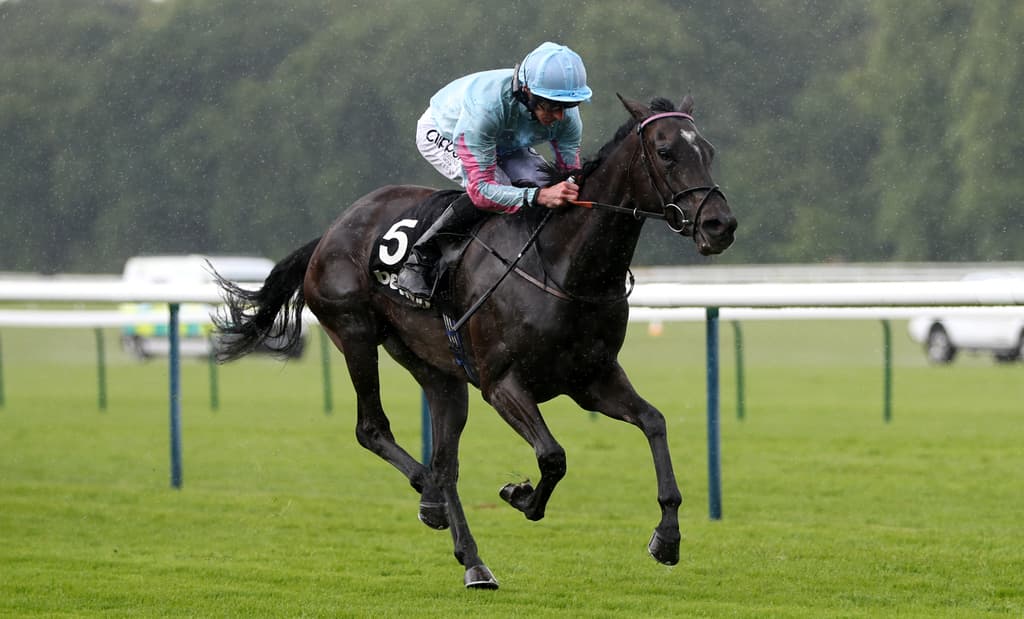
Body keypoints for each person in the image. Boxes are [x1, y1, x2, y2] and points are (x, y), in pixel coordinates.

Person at [396, 41, 593, 303]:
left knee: (541, 182)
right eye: (552, 105)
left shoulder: (567, 117)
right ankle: (420, 258)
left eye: (567, 105)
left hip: (503, 139)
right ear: (526, 92)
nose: (560, 116)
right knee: (502, 188)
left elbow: (570, 174)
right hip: (447, 131)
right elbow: (482, 192)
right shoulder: (486, 110)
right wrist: (539, 196)